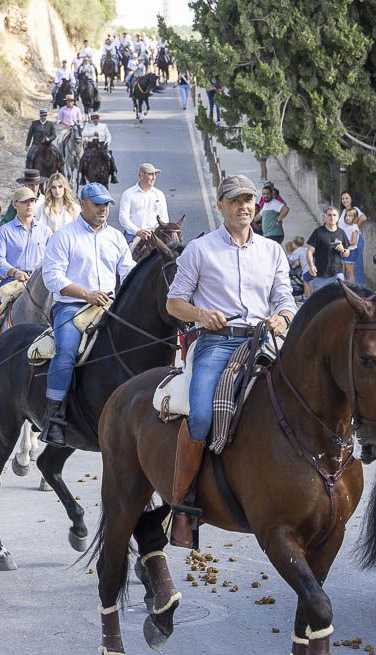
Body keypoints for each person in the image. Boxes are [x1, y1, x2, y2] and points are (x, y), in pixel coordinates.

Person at [164, 174, 297, 547]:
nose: (243, 206)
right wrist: (201, 314)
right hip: (217, 344)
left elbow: (286, 299)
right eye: (235, 200)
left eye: (249, 200)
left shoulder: (272, 251)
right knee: (202, 414)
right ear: (220, 206)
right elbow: (173, 303)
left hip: (264, 340)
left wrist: (283, 317)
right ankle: (182, 506)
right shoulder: (200, 249)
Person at [39, 183, 137, 447]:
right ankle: (54, 416)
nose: (103, 209)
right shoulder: (65, 236)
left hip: (108, 305)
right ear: (83, 204)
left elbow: (128, 271)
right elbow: (52, 276)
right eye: (97, 204)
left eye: (106, 205)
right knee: (67, 351)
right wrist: (86, 294)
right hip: (72, 306)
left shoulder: (116, 237)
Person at [0, 188, 46, 346]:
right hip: (11, 280)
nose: (29, 205)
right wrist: (14, 272)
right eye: (24, 201)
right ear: (15, 204)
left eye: (32, 201)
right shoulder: (5, 231)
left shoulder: (45, 231)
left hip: (40, 280)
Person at [118, 163, 168, 244]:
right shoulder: (128, 194)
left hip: (155, 234)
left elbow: (164, 218)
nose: (154, 177)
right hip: (134, 234)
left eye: (155, 174)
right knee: (125, 254)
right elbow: (123, 217)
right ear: (141, 175)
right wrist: (137, 231)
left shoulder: (159, 194)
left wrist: (157, 231)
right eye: (151, 174)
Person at [305, 207, 352, 292]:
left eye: (334, 215)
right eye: (329, 215)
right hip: (320, 275)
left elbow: (347, 253)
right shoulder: (318, 232)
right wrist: (311, 265)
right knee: (321, 303)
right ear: (325, 217)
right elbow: (309, 251)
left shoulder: (341, 233)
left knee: (339, 301)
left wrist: (343, 250)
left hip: (337, 274)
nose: (332, 217)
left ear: (338, 217)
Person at [81, 111, 117, 183]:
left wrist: (107, 142)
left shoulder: (103, 126)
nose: (95, 120)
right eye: (93, 118)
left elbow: (108, 135)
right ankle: (82, 176)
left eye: (96, 118)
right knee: (84, 158)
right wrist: (92, 133)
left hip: (102, 145)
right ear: (91, 119)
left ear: (98, 119)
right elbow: (83, 133)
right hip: (91, 145)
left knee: (109, 157)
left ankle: (113, 174)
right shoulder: (88, 125)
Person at [338, 208, 362, 285]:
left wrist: (343, 243)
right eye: (346, 216)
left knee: (349, 272)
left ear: (354, 218)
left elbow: (354, 242)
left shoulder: (354, 228)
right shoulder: (347, 226)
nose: (347, 217)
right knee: (343, 270)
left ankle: (352, 288)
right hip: (344, 250)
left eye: (350, 216)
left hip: (351, 252)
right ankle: (345, 287)